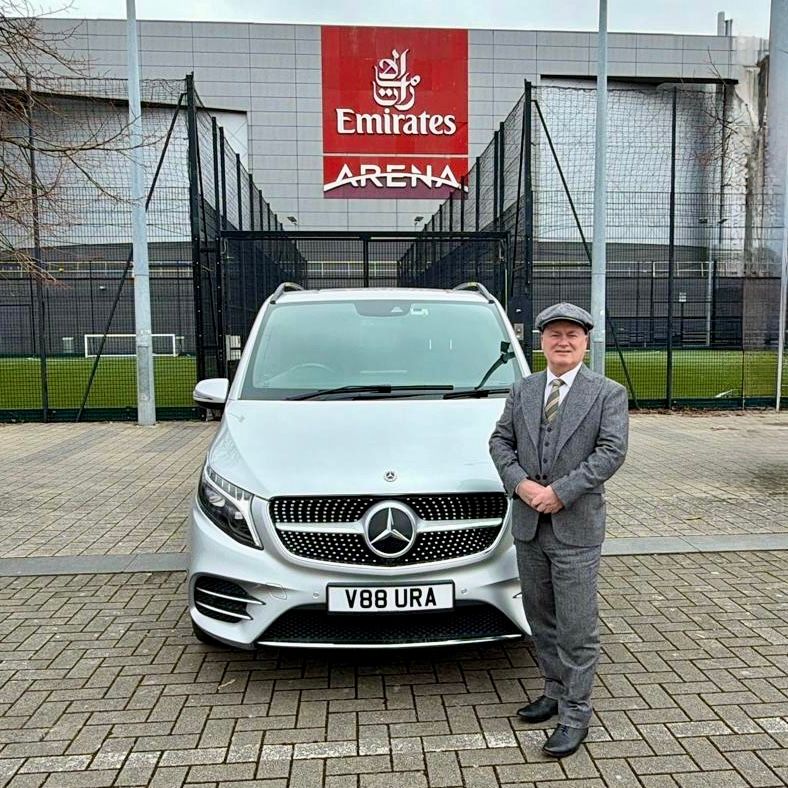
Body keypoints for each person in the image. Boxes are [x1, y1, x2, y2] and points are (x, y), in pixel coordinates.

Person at [489, 302, 629, 758]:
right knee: (541, 617)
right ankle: (553, 689)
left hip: (575, 528)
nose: (563, 341)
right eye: (554, 334)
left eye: (573, 334)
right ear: (542, 341)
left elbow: (610, 452)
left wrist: (560, 492)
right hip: (529, 526)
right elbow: (499, 441)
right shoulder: (523, 390)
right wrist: (521, 484)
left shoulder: (608, 393)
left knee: (577, 627)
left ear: (586, 342)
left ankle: (575, 712)